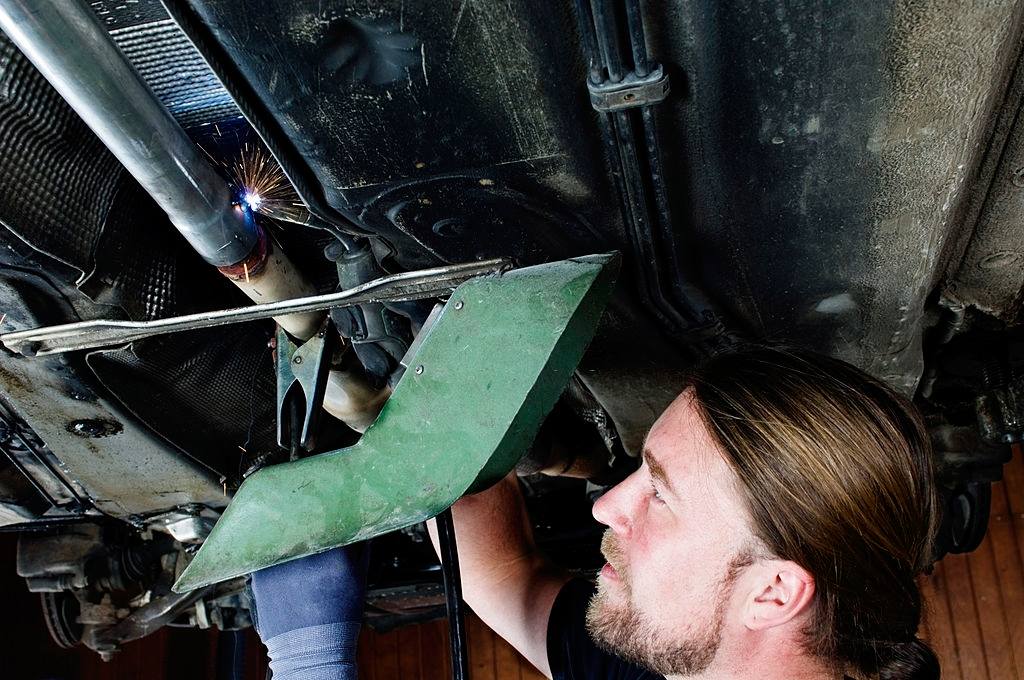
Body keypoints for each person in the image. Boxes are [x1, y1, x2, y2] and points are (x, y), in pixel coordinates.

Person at [252, 345, 941, 680]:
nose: (609, 504)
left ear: (773, 591)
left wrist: (310, 660)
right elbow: (506, 577)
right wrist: (426, 443)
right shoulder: (674, 661)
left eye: (661, 495)